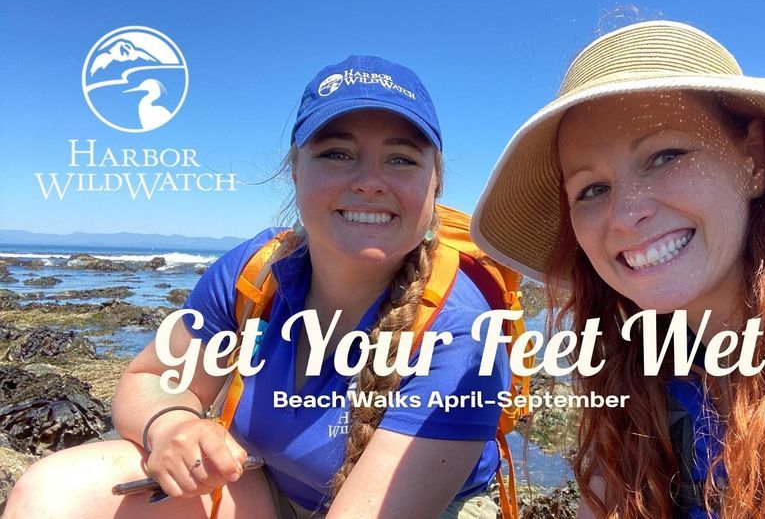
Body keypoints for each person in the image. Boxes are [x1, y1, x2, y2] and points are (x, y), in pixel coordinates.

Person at [472, 21, 765, 518]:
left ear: (754, 160)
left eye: (666, 156)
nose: (625, 215)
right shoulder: (639, 380)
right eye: (592, 190)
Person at [6, 55, 509, 519]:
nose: (370, 182)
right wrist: (173, 426)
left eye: (401, 159)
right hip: (274, 492)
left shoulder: (460, 333)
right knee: (56, 492)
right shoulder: (258, 272)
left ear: (435, 183)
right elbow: (152, 378)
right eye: (337, 154)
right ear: (295, 171)